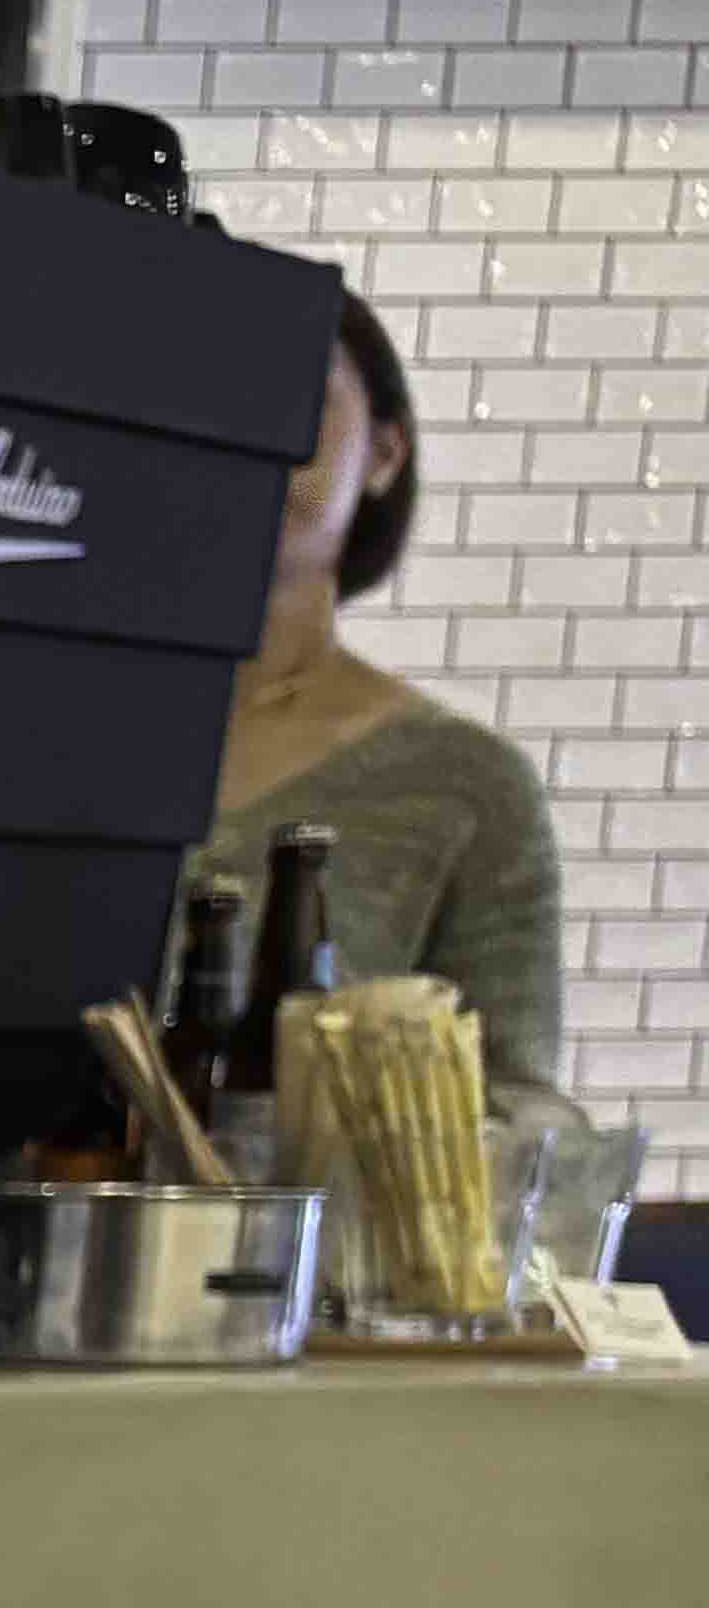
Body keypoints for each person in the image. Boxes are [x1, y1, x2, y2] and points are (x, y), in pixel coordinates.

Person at [192, 281, 565, 1092]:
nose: (249, 435)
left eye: (293, 399)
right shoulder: (39, 733)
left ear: (384, 454)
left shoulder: (467, 788)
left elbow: (514, 1112)